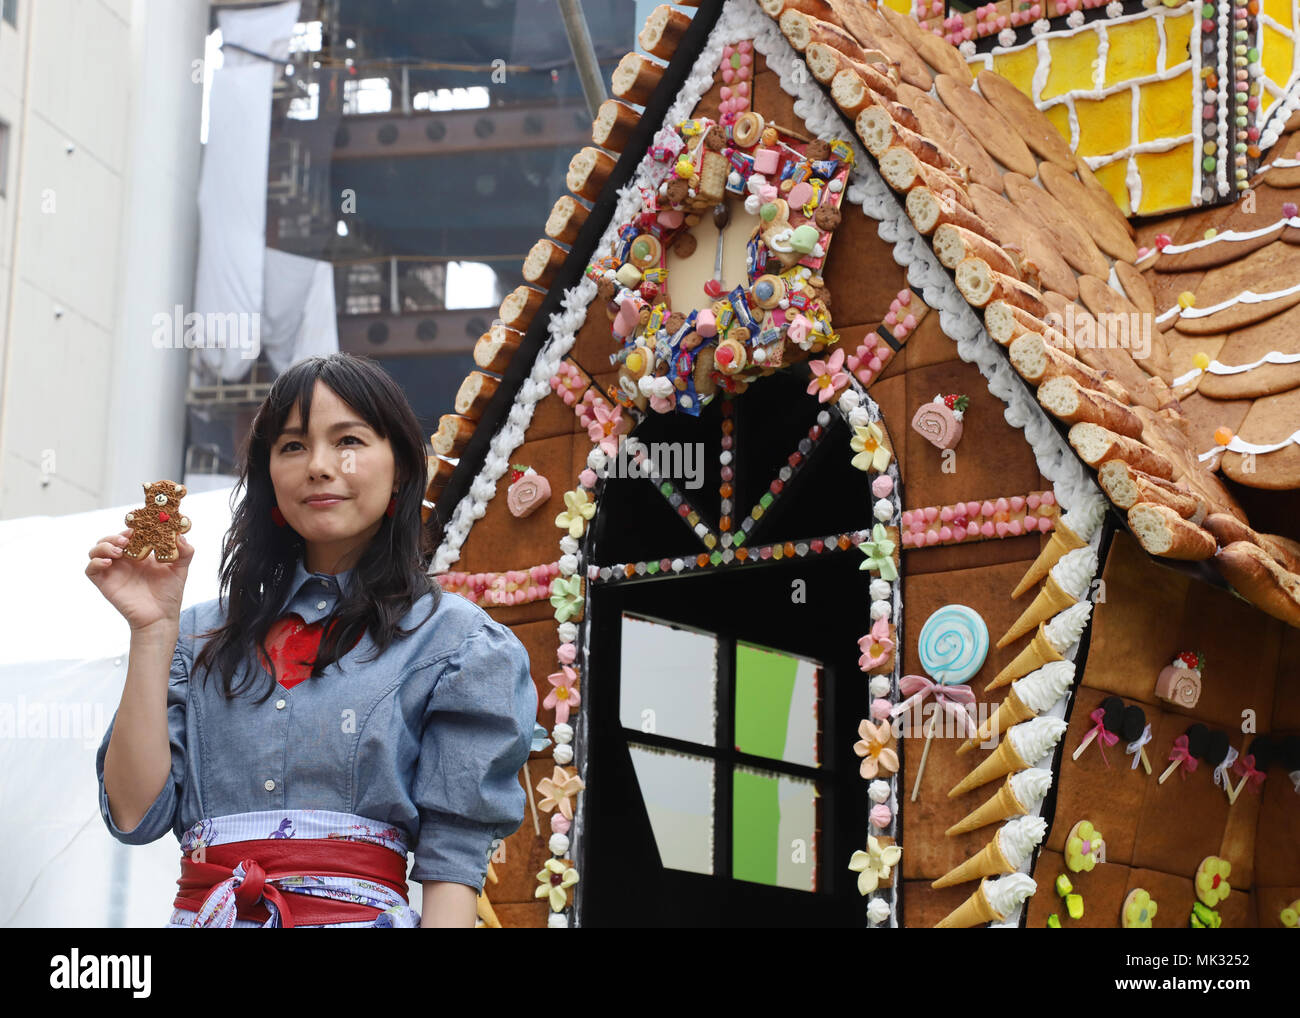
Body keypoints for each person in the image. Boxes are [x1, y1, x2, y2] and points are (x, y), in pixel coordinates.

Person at [88, 353, 537, 928]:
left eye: (348, 440)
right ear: (268, 476)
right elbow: (133, 816)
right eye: (293, 446)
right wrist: (151, 633)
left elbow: (453, 864)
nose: (319, 466)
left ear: (400, 466)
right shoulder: (193, 634)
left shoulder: (458, 645)